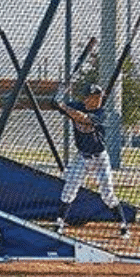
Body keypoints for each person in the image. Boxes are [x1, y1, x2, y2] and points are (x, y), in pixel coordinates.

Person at [52, 83, 130, 239]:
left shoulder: (102, 113)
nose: (98, 100)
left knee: (107, 195)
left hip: (100, 158)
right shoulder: (77, 105)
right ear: (86, 98)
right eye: (94, 97)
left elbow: (83, 118)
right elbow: (55, 104)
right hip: (82, 157)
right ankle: (59, 223)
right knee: (69, 190)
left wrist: (64, 107)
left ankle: (123, 226)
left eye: (99, 97)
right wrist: (61, 93)